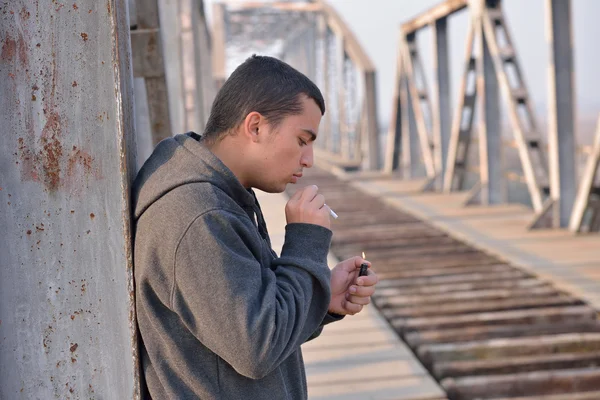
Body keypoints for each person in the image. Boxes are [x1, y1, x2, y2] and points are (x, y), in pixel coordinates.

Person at [132, 55, 379, 399]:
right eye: (302, 140)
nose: (309, 160)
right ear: (256, 126)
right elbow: (257, 347)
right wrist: (306, 242)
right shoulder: (197, 215)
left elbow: (248, 321)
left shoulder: (222, 197)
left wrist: (321, 296)